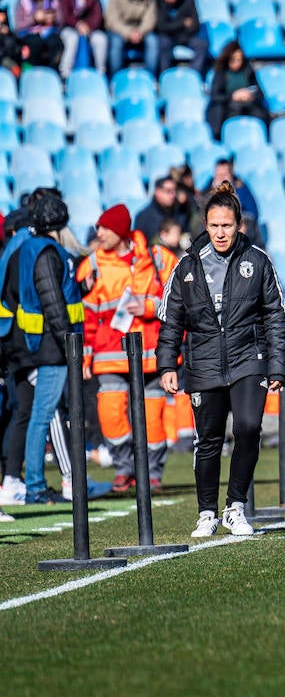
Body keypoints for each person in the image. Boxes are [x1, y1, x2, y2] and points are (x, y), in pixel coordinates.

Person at [156, 182, 285, 535]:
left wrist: (278, 365)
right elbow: (172, 319)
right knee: (209, 439)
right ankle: (206, 513)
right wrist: (167, 364)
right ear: (205, 224)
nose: (220, 232)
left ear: (238, 224)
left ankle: (235, 506)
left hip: (249, 359)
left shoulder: (258, 261)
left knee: (248, 428)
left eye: (226, 225)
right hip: (203, 363)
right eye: (214, 225)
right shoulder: (187, 266)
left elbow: (276, 315)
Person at [77, 203, 176, 496]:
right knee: (110, 413)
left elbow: (181, 300)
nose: (100, 233)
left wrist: (147, 307)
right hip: (110, 354)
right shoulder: (92, 265)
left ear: (120, 231)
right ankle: (125, 469)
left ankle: (153, 474)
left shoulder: (159, 259)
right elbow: (85, 316)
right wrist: (85, 355)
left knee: (153, 416)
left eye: (106, 228)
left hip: (151, 353)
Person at [0, 191, 84, 508]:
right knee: (43, 414)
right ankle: (35, 484)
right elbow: (53, 301)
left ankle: (29, 482)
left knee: (31, 413)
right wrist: (69, 342)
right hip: (47, 347)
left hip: (24, 345)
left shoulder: (21, 248)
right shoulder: (48, 252)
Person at [206, 39, 271, 139]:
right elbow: (215, 95)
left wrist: (249, 94)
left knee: (260, 114)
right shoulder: (221, 73)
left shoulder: (248, 70)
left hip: (248, 105)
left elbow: (259, 92)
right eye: (233, 60)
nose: (237, 63)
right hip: (228, 107)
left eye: (239, 60)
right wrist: (233, 96)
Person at [56, 0, 109, 77]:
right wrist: (78, 24)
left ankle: (101, 73)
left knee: (100, 39)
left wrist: (88, 26)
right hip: (70, 28)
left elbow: (97, 14)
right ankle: (65, 74)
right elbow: (66, 16)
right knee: (72, 39)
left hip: (91, 28)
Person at [14, 0, 64, 72]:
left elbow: (61, 20)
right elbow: (18, 25)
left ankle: (52, 72)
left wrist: (53, 18)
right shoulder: (23, 1)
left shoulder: (52, 0)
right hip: (29, 33)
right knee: (35, 42)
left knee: (56, 42)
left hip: (49, 32)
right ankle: (34, 72)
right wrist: (34, 19)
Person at [105, 0, 159, 74]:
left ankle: (150, 77)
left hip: (140, 31)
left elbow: (150, 20)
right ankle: (116, 77)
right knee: (116, 42)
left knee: (153, 40)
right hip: (120, 30)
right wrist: (128, 33)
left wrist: (140, 32)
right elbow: (112, 19)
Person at [153, 0, 209, 75]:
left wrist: (173, 27)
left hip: (186, 36)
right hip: (167, 36)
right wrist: (182, 22)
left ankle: (193, 75)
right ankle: (164, 75)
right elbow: (160, 26)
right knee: (163, 43)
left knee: (202, 44)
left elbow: (195, 24)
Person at [133, 176, 191, 244]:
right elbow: (140, 246)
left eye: (174, 190)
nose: (172, 195)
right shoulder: (143, 217)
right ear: (157, 192)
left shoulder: (181, 210)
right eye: (168, 191)